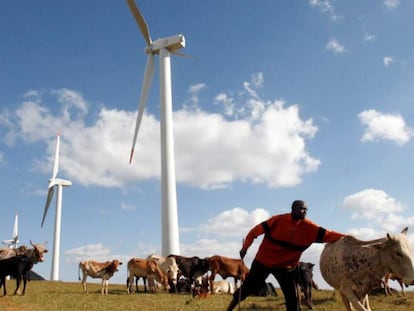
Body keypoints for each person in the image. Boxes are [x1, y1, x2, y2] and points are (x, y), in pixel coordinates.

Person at [226, 200, 346, 311]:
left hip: (285, 267)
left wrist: (348, 238)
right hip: (263, 261)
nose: (304, 211)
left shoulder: (310, 228)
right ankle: (229, 309)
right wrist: (245, 247)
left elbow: (330, 235)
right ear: (292, 209)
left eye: (306, 209)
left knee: (292, 297)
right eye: (301, 208)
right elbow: (254, 232)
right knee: (248, 287)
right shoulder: (277, 220)